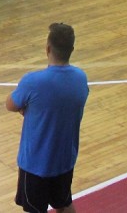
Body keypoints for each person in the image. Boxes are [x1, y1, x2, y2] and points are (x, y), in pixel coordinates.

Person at [6, 23, 89, 213]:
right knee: (63, 203)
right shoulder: (80, 78)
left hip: (36, 164)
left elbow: (10, 104)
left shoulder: (32, 82)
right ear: (72, 50)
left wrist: (28, 109)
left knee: (35, 209)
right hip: (64, 160)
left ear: (48, 49)